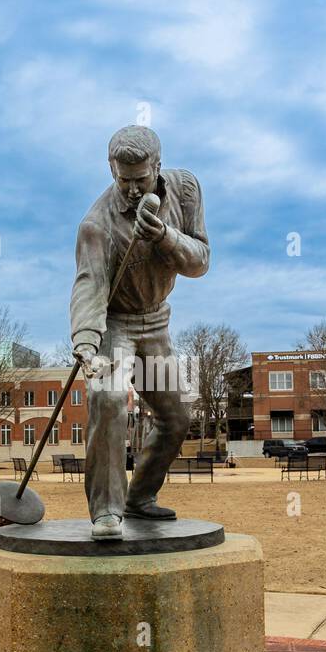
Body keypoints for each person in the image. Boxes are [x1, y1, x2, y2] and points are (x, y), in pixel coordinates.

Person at [70, 126, 210, 540]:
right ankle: (107, 512)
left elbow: (200, 261)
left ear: (158, 168)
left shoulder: (185, 189)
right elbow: (89, 284)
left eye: (141, 180)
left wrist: (166, 238)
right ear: (111, 170)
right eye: (123, 180)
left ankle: (139, 498)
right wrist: (85, 341)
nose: (132, 190)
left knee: (176, 417)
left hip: (157, 321)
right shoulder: (96, 226)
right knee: (109, 398)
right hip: (115, 323)